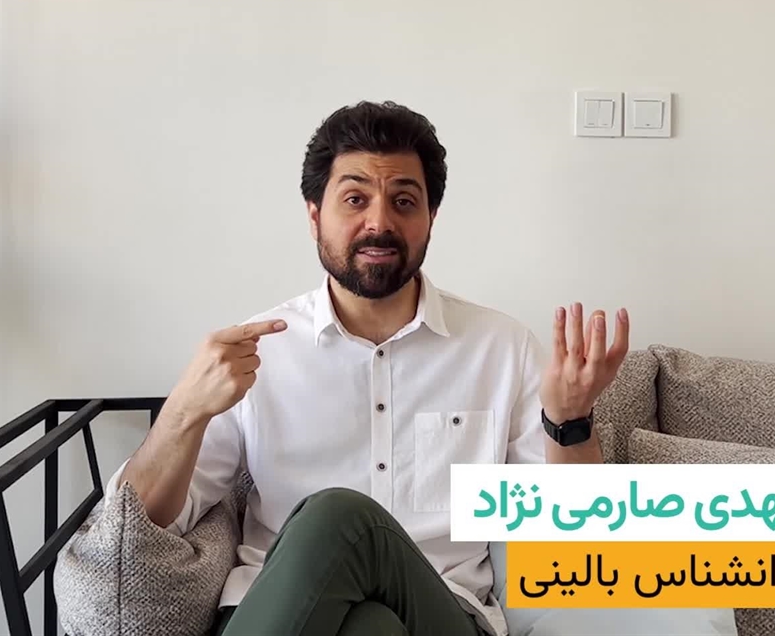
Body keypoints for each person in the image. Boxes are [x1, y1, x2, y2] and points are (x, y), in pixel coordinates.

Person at [111, 101, 630, 636]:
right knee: (369, 625)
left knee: (341, 519)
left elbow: (576, 538)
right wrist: (184, 412)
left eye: (403, 201)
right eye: (355, 199)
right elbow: (142, 525)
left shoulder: (501, 348)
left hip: (441, 613)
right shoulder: (257, 352)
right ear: (315, 216)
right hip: (284, 610)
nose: (379, 222)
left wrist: (570, 419)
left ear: (431, 219)